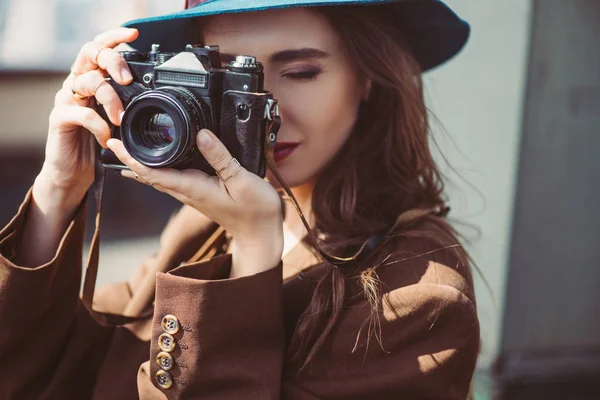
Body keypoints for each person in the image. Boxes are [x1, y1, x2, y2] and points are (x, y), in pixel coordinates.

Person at [0, 0, 480, 398]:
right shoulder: (205, 227)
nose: (265, 108)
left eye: (301, 72)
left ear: (370, 75)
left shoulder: (417, 295)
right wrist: (59, 190)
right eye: (232, 75)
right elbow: (56, 372)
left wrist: (254, 253)